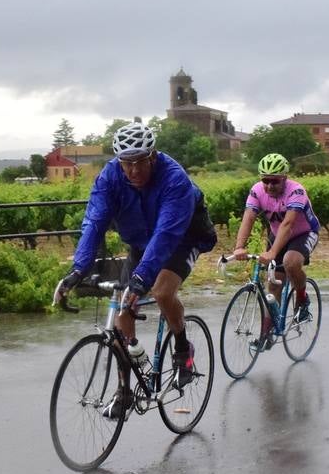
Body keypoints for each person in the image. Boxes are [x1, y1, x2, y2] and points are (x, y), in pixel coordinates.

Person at [53, 120, 217, 396]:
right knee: (123, 310)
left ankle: (182, 347)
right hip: (141, 241)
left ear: (153, 156)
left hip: (183, 237)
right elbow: (94, 222)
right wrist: (77, 271)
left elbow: (166, 234)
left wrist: (141, 281)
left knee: (162, 291)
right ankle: (124, 390)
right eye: (127, 163)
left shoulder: (174, 179)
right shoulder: (110, 177)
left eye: (141, 161)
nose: (134, 170)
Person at [228, 153, 319, 335]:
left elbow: (288, 224)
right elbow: (248, 218)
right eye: (265, 180)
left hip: (304, 232)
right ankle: (267, 331)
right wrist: (239, 246)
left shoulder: (296, 191)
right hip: (278, 234)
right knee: (274, 283)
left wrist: (272, 253)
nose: (269, 185)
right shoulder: (257, 190)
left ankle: (302, 298)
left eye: (275, 181)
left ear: (284, 178)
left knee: (290, 262)